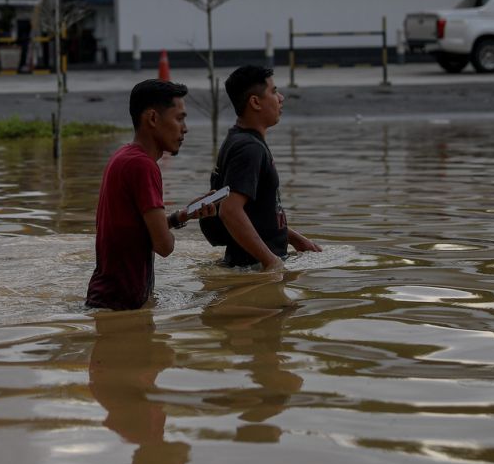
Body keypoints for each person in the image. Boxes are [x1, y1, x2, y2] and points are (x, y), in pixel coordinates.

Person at [86, 79, 217, 311]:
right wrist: (166, 234)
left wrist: (182, 217)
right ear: (153, 119)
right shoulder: (143, 166)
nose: (184, 128)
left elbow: (135, 230)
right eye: (179, 118)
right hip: (121, 307)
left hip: (107, 301)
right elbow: (164, 246)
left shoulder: (123, 156)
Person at [213, 65, 320, 270]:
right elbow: (230, 210)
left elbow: (258, 212)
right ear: (255, 102)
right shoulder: (249, 149)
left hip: (250, 264)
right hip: (252, 269)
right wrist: (271, 261)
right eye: (273, 91)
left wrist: (295, 238)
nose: (281, 98)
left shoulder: (240, 140)